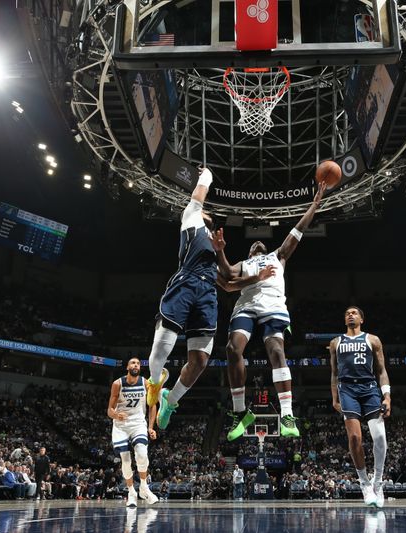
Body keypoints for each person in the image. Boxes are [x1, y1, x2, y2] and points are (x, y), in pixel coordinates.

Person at [217, 182, 327, 440]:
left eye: (259, 245)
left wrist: (315, 205)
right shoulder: (245, 263)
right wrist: (220, 251)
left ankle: (287, 414)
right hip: (246, 305)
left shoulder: (278, 255)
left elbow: (298, 230)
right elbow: (228, 273)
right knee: (232, 350)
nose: (256, 244)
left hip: (273, 306)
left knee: (277, 351)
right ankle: (240, 412)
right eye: (252, 245)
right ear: (249, 251)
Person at [145, 167, 228, 430]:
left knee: (201, 361)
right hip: (186, 283)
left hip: (207, 293)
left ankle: (171, 401)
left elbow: (227, 281)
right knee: (161, 348)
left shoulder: (216, 245)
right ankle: (156, 382)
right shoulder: (191, 217)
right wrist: (208, 176)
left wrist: (224, 255)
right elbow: (199, 195)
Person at [329, 306, 391, 507]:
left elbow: (381, 370)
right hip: (347, 390)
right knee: (355, 437)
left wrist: (387, 396)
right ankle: (365, 484)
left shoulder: (373, 340)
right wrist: (334, 398)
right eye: (347, 312)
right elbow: (334, 373)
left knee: (380, 436)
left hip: (370, 388)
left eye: (354, 312)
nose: (350, 314)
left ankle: (378, 481)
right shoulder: (335, 343)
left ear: (362, 319)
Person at [108, 357, 159, 507]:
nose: (135, 365)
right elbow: (109, 410)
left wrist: (151, 427)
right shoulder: (117, 384)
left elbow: (152, 405)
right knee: (126, 459)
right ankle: (131, 492)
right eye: (132, 363)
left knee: (142, 454)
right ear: (127, 367)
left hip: (138, 423)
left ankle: (144, 486)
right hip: (121, 425)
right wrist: (116, 415)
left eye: (138, 363)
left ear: (140, 368)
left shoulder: (146, 383)